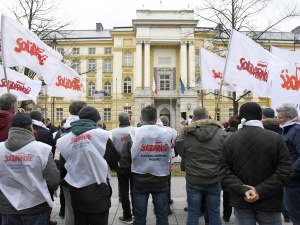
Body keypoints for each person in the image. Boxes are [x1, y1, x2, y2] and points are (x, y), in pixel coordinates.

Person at [218, 102, 293, 225]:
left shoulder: (230, 139)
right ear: (260, 117)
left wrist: (244, 190)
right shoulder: (276, 138)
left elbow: (223, 170)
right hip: (269, 200)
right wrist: (260, 191)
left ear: (240, 117)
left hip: (242, 200)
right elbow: (286, 170)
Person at [57, 106, 120, 225]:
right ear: (96, 120)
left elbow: (63, 166)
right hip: (98, 188)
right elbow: (114, 159)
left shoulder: (64, 140)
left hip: (76, 191)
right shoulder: (101, 135)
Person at [0, 112, 60, 225]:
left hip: (7, 207)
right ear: (30, 127)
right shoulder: (42, 149)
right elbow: (54, 181)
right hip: (35, 206)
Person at [120, 105, 174, 225]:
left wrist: (132, 175)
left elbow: (124, 160)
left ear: (141, 119)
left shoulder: (134, 134)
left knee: (139, 217)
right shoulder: (167, 133)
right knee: (162, 215)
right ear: (155, 119)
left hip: (140, 180)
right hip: (161, 179)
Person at [176, 106, 227, 225]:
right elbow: (225, 154)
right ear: (208, 116)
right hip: (214, 177)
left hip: (194, 178)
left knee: (193, 212)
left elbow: (181, 152)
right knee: (214, 212)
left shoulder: (185, 134)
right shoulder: (221, 132)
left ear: (193, 119)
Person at [55, 101, 87, 225]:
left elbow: (57, 158)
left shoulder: (61, 131)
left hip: (67, 177)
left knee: (70, 210)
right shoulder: (87, 129)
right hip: (85, 176)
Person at [261, 107, 290, 223]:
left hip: (264, 163)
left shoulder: (261, 129)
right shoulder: (281, 129)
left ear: (263, 117)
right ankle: (286, 213)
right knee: (280, 190)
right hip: (279, 163)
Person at [276, 103, 300, 225]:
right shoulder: (290, 129)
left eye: (280, 118)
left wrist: (292, 172)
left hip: (295, 182)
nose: (278, 120)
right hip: (292, 181)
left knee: (296, 215)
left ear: (290, 117)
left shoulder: (296, 130)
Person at [111, 111, 136, 224]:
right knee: (135, 190)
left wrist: (112, 165)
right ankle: (137, 212)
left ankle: (127, 215)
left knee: (124, 191)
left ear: (119, 120)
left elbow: (110, 150)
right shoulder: (135, 131)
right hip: (134, 164)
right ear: (129, 119)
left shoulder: (113, 133)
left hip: (120, 165)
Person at [222, 115, 240, 222]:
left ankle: (226, 216)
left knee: (227, 193)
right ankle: (238, 214)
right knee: (239, 191)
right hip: (239, 168)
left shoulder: (224, 135)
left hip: (227, 169)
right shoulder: (243, 135)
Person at [159, 115, 177, 214]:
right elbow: (175, 141)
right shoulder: (172, 131)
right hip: (170, 157)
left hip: (159, 158)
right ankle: (168, 200)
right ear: (168, 122)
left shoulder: (157, 130)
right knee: (167, 181)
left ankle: (159, 201)